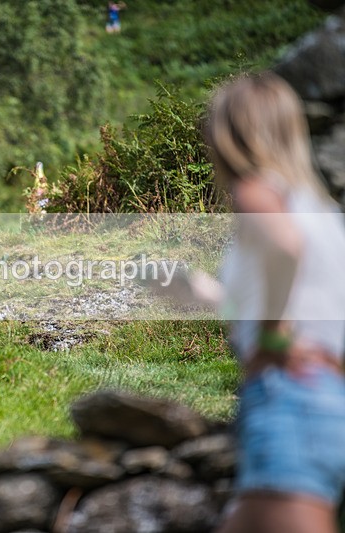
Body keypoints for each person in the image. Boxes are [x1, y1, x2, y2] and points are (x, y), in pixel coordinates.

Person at [157, 72, 345, 533]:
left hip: (287, 397)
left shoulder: (256, 190)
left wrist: (271, 334)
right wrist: (201, 294)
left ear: (228, 136)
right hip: (320, 395)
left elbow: (286, 250)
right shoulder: (315, 208)